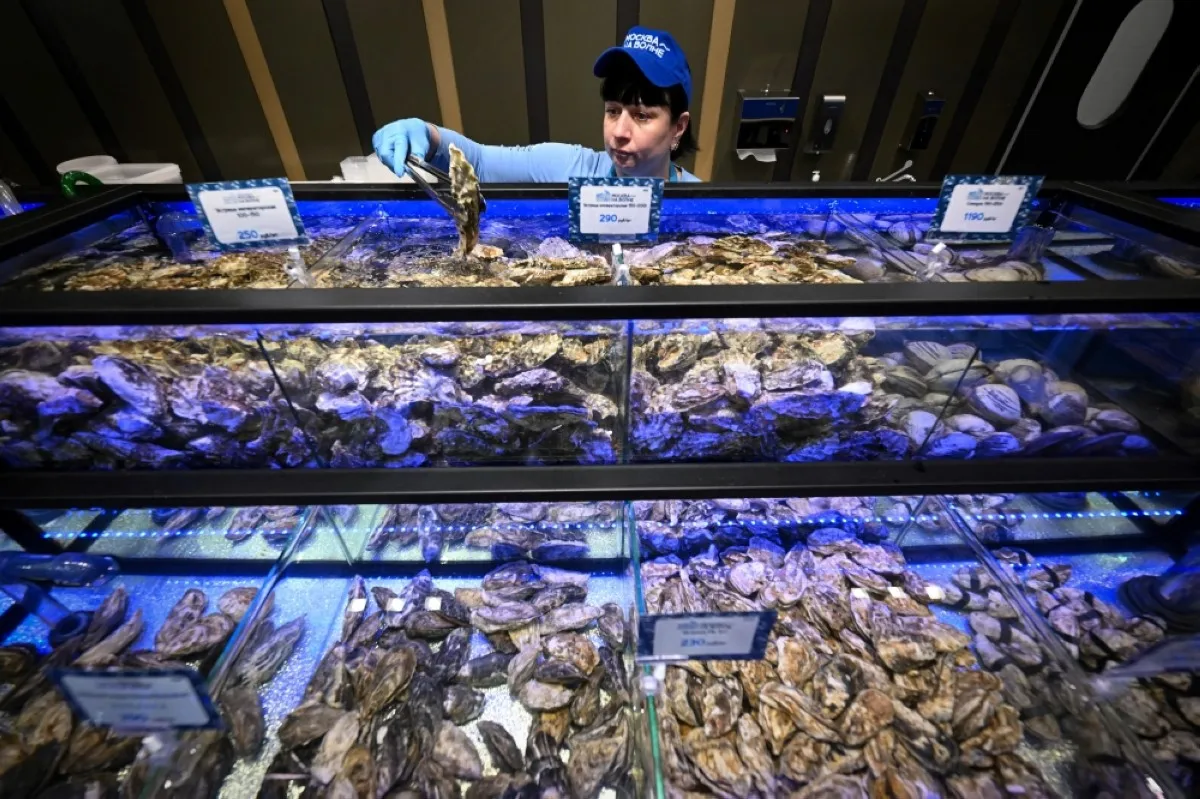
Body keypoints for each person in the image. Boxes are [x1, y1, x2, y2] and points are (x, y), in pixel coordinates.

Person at [373, 26, 700, 183]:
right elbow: (481, 163)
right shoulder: (570, 168)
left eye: (642, 116)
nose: (619, 132)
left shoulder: (708, 207)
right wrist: (427, 135)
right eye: (613, 111)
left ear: (678, 127)